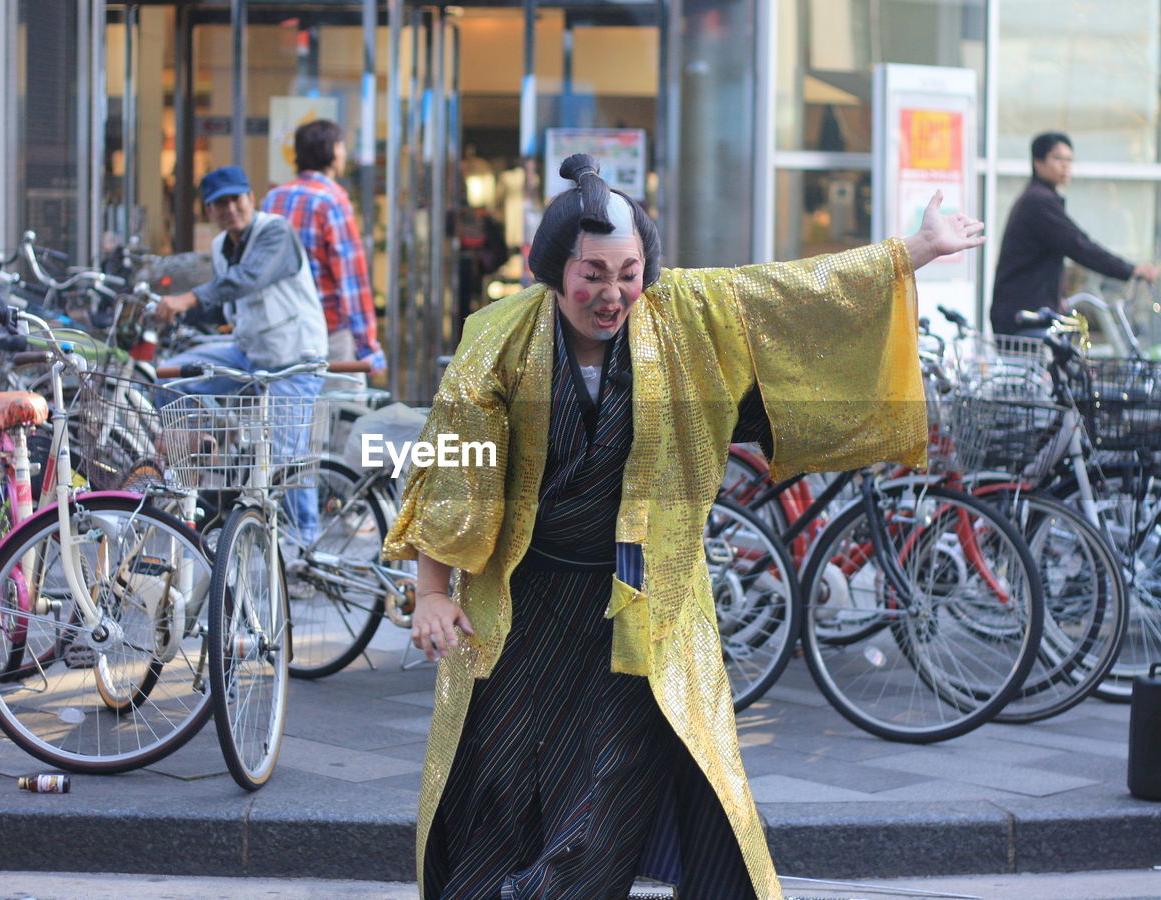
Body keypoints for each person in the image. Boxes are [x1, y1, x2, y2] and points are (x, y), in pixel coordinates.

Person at [382, 153, 984, 899]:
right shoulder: (497, 341)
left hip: (645, 598)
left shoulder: (689, 314)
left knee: (613, 781)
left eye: (628, 272)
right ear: (550, 268)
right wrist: (433, 591)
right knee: (503, 779)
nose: (612, 294)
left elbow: (797, 291)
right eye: (592, 274)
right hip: (525, 603)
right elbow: (452, 465)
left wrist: (916, 251)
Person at [154, 165, 329, 540]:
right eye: (219, 204)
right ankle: (210, 446)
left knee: (287, 460)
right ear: (209, 211)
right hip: (248, 352)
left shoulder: (275, 231)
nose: (230, 209)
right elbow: (230, 300)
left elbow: (248, 278)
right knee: (171, 375)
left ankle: (306, 545)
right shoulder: (220, 246)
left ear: (251, 199)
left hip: (293, 359)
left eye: (236, 199)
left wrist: (188, 297)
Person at [991, 131, 1158, 335]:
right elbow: (1078, 245)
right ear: (1038, 162)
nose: (1065, 165)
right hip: (1024, 318)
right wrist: (1131, 270)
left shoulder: (1040, 198)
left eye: (1069, 160)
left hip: (1027, 313)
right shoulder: (1038, 201)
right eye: (1057, 158)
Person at [262, 119, 385, 390]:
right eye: (342, 146)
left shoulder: (273, 199)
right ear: (332, 150)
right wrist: (368, 347)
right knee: (345, 420)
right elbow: (351, 280)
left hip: (281, 331)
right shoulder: (331, 200)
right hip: (328, 332)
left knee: (294, 422)